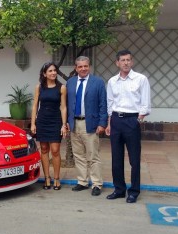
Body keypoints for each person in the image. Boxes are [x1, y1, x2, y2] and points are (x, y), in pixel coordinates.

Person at [105, 49, 151, 203]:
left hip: (132, 121)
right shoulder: (112, 81)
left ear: (132, 62)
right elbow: (110, 103)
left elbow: (145, 102)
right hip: (116, 121)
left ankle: (134, 191)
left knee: (134, 159)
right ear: (117, 63)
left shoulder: (140, 79)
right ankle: (119, 189)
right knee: (116, 158)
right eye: (122, 60)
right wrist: (109, 123)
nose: (125, 63)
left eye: (128, 60)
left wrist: (139, 119)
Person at [66, 56, 107, 196]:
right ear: (75, 68)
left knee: (93, 156)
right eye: (80, 66)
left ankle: (96, 183)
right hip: (74, 123)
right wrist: (66, 122)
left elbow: (103, 104)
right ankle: (82, 181)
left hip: (90, 124)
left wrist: (102, 123)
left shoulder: (98, 82)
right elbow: (67, 104)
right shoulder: (70, 83)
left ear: (89, 66)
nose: (83, 69)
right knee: (78, 155)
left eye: (85, 66)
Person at [31, 62, 67, 190]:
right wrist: (33, 123)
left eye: (54, 71)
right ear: (44, 73)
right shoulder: (39, 87)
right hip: (42, 121)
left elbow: (63, 107)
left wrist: (64, 125)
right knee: (44, 149)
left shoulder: (61, 87)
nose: (53, 73)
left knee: (55, 150)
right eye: (50, 71)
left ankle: (56, 178)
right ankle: (47, 177)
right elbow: (35, 105)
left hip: (55, 121)